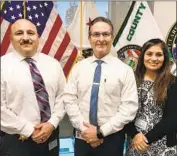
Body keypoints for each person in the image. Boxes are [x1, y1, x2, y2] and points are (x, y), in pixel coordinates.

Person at [63, 16, 138, 156]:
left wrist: (100, 132)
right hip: (82, 137)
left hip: (112, 138)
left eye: (106, 34)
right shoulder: (78, 68)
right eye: (96, 34)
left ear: (112, 37)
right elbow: (69, 100)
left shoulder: (125, 71)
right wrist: (85, 130)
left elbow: (129, 108)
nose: (101, 39)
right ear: (89, 38)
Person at [1, 19, 66, 156]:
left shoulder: (53, 64)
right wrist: (29, 130)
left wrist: (51, 123)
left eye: (30, 33)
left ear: (37, 37)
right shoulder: (2, 66)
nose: (25, 38)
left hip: (51, 135)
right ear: (11, 38)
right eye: (19, 33)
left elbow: (63, 97)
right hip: (16, 142)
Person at [124, 38, 177, 156]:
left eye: (159, 54)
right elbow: (123, 112)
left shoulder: (173, 82)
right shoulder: (131, 80)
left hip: (163, 147)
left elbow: (172, 119)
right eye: (149, 54)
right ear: (142, 56)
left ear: (165, 58)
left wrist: (145, 139)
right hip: (135, 145)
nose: (154, 58)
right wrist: (135, 135)